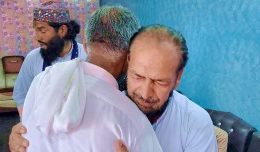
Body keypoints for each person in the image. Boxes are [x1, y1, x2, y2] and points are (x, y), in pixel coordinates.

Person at [10, 5, 162, 152]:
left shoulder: (40, 82)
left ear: (87, 45)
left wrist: (26, 132)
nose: (37, 37)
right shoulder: (132, 120)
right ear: (131, 54)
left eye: (42, 30)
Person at [116, 24, 218, 152]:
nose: (145, 93)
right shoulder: (107, 112)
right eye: (138, 76)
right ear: (128, 62)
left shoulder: (195, 122)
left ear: (178, 77)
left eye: (159, 82)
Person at [13, 1, 87, 117]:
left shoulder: (86, 56)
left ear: (62, 30)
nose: (37, 37)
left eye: (42, 31)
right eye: (36, 31)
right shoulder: (33, 58)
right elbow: (21, 95)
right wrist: (29, 125)